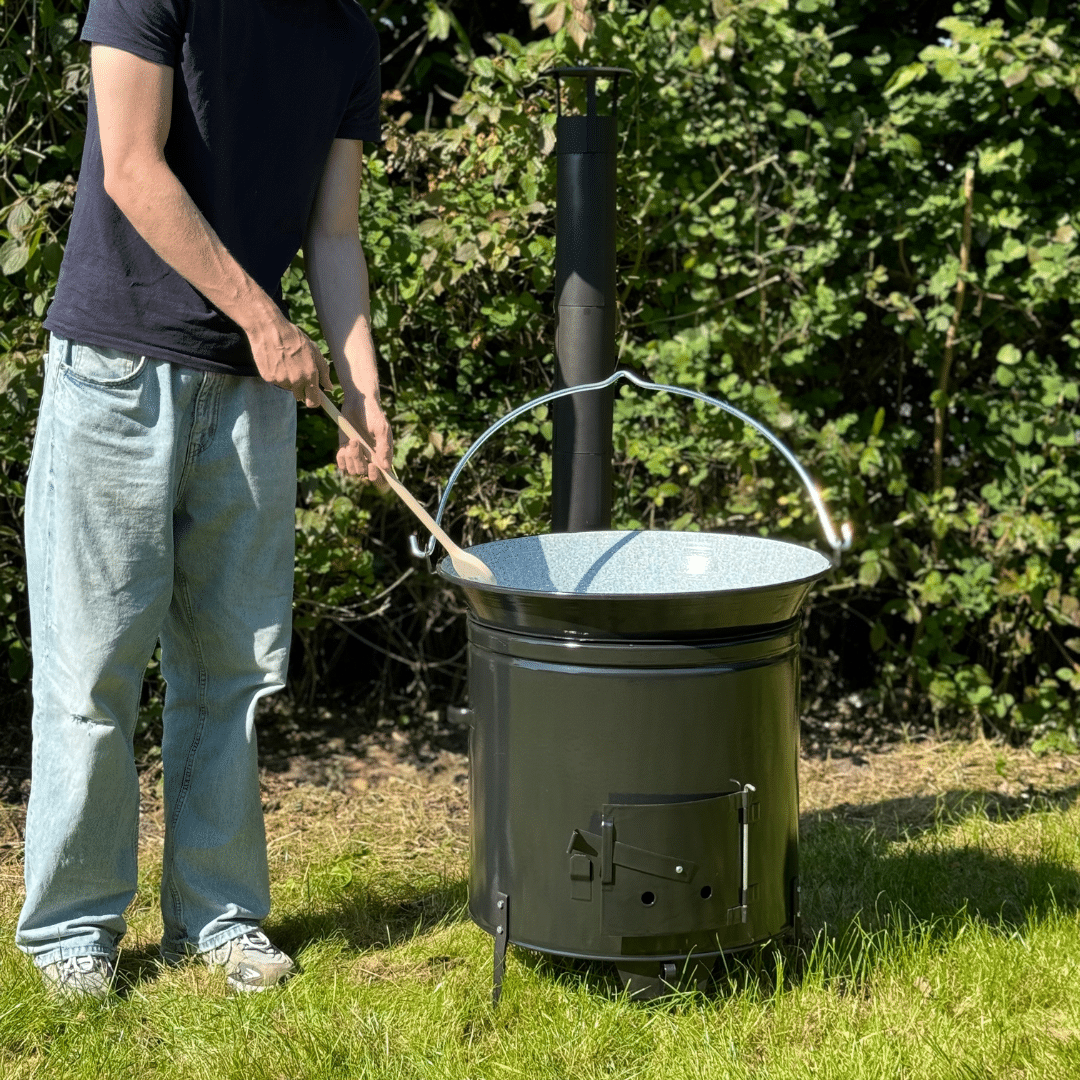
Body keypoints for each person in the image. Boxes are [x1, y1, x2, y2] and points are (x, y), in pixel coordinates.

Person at [16, 0, 393, 998]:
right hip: (115, 371)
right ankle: (72, 935)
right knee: (91, 673)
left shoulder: (348, 33)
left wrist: (363, 387)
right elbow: (133, 167)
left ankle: (218, 921)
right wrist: (268, 322)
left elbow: (335, 228)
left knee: (234, 671)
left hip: (252, 395)